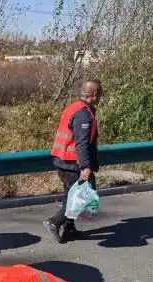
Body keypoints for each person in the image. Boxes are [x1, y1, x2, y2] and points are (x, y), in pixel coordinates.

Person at [44, 79, 103, 243]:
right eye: (100, 94)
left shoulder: (74, 107)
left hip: (64, 160)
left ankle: (69, 229)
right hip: (72, 163)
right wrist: (85, 166)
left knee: (71, 196)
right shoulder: (83, 114)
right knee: (82, 198)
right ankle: (54, 222)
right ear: (95, 94)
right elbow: (82, 142)